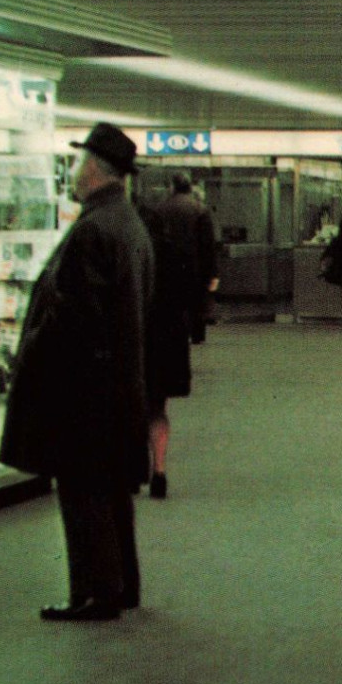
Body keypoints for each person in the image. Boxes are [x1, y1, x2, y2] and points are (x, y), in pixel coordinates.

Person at [0, 123, 153, 622]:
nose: (71, 171)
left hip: (84, 389)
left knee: (82, 491)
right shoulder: (127, 225)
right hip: (117, 382)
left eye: (75, 162)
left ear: (92, 169)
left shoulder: (93, 230)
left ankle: (94, 593)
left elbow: (73, 316)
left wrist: (33, 357)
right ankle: (121, 584)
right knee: (110, 491)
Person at [138, 185, 200, 500]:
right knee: (158, 407)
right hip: (167, 342)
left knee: (131, 405)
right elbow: (189, 296)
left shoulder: (131, 253)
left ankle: (132, 470)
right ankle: (159, 471)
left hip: (136, 339)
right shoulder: (175, 254)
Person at [151, 173, 218, 343]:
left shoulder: (160, 209)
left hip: (167, 266)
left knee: (171, 303)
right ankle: (197, 334)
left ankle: (172, 333)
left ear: (172, 187)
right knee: (195, 301)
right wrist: (212, 272)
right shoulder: (200, 209)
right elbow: (208, 244)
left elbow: (153, 241)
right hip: (194, 265)